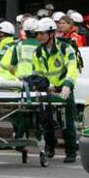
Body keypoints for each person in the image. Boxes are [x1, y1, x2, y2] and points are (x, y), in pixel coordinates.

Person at [32, 17, 78, 163]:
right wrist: (44, 86)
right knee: (47, 122)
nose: (38, 37)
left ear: (51, 34)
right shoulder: (37, 52)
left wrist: (67, 85)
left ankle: (71, 152)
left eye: (42, 34)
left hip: (64, 91)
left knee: (66, 123)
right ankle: (50, 148)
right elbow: (38, 73)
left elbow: (72, 68)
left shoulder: (65, 48)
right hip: (48, 91)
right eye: (37, 34)